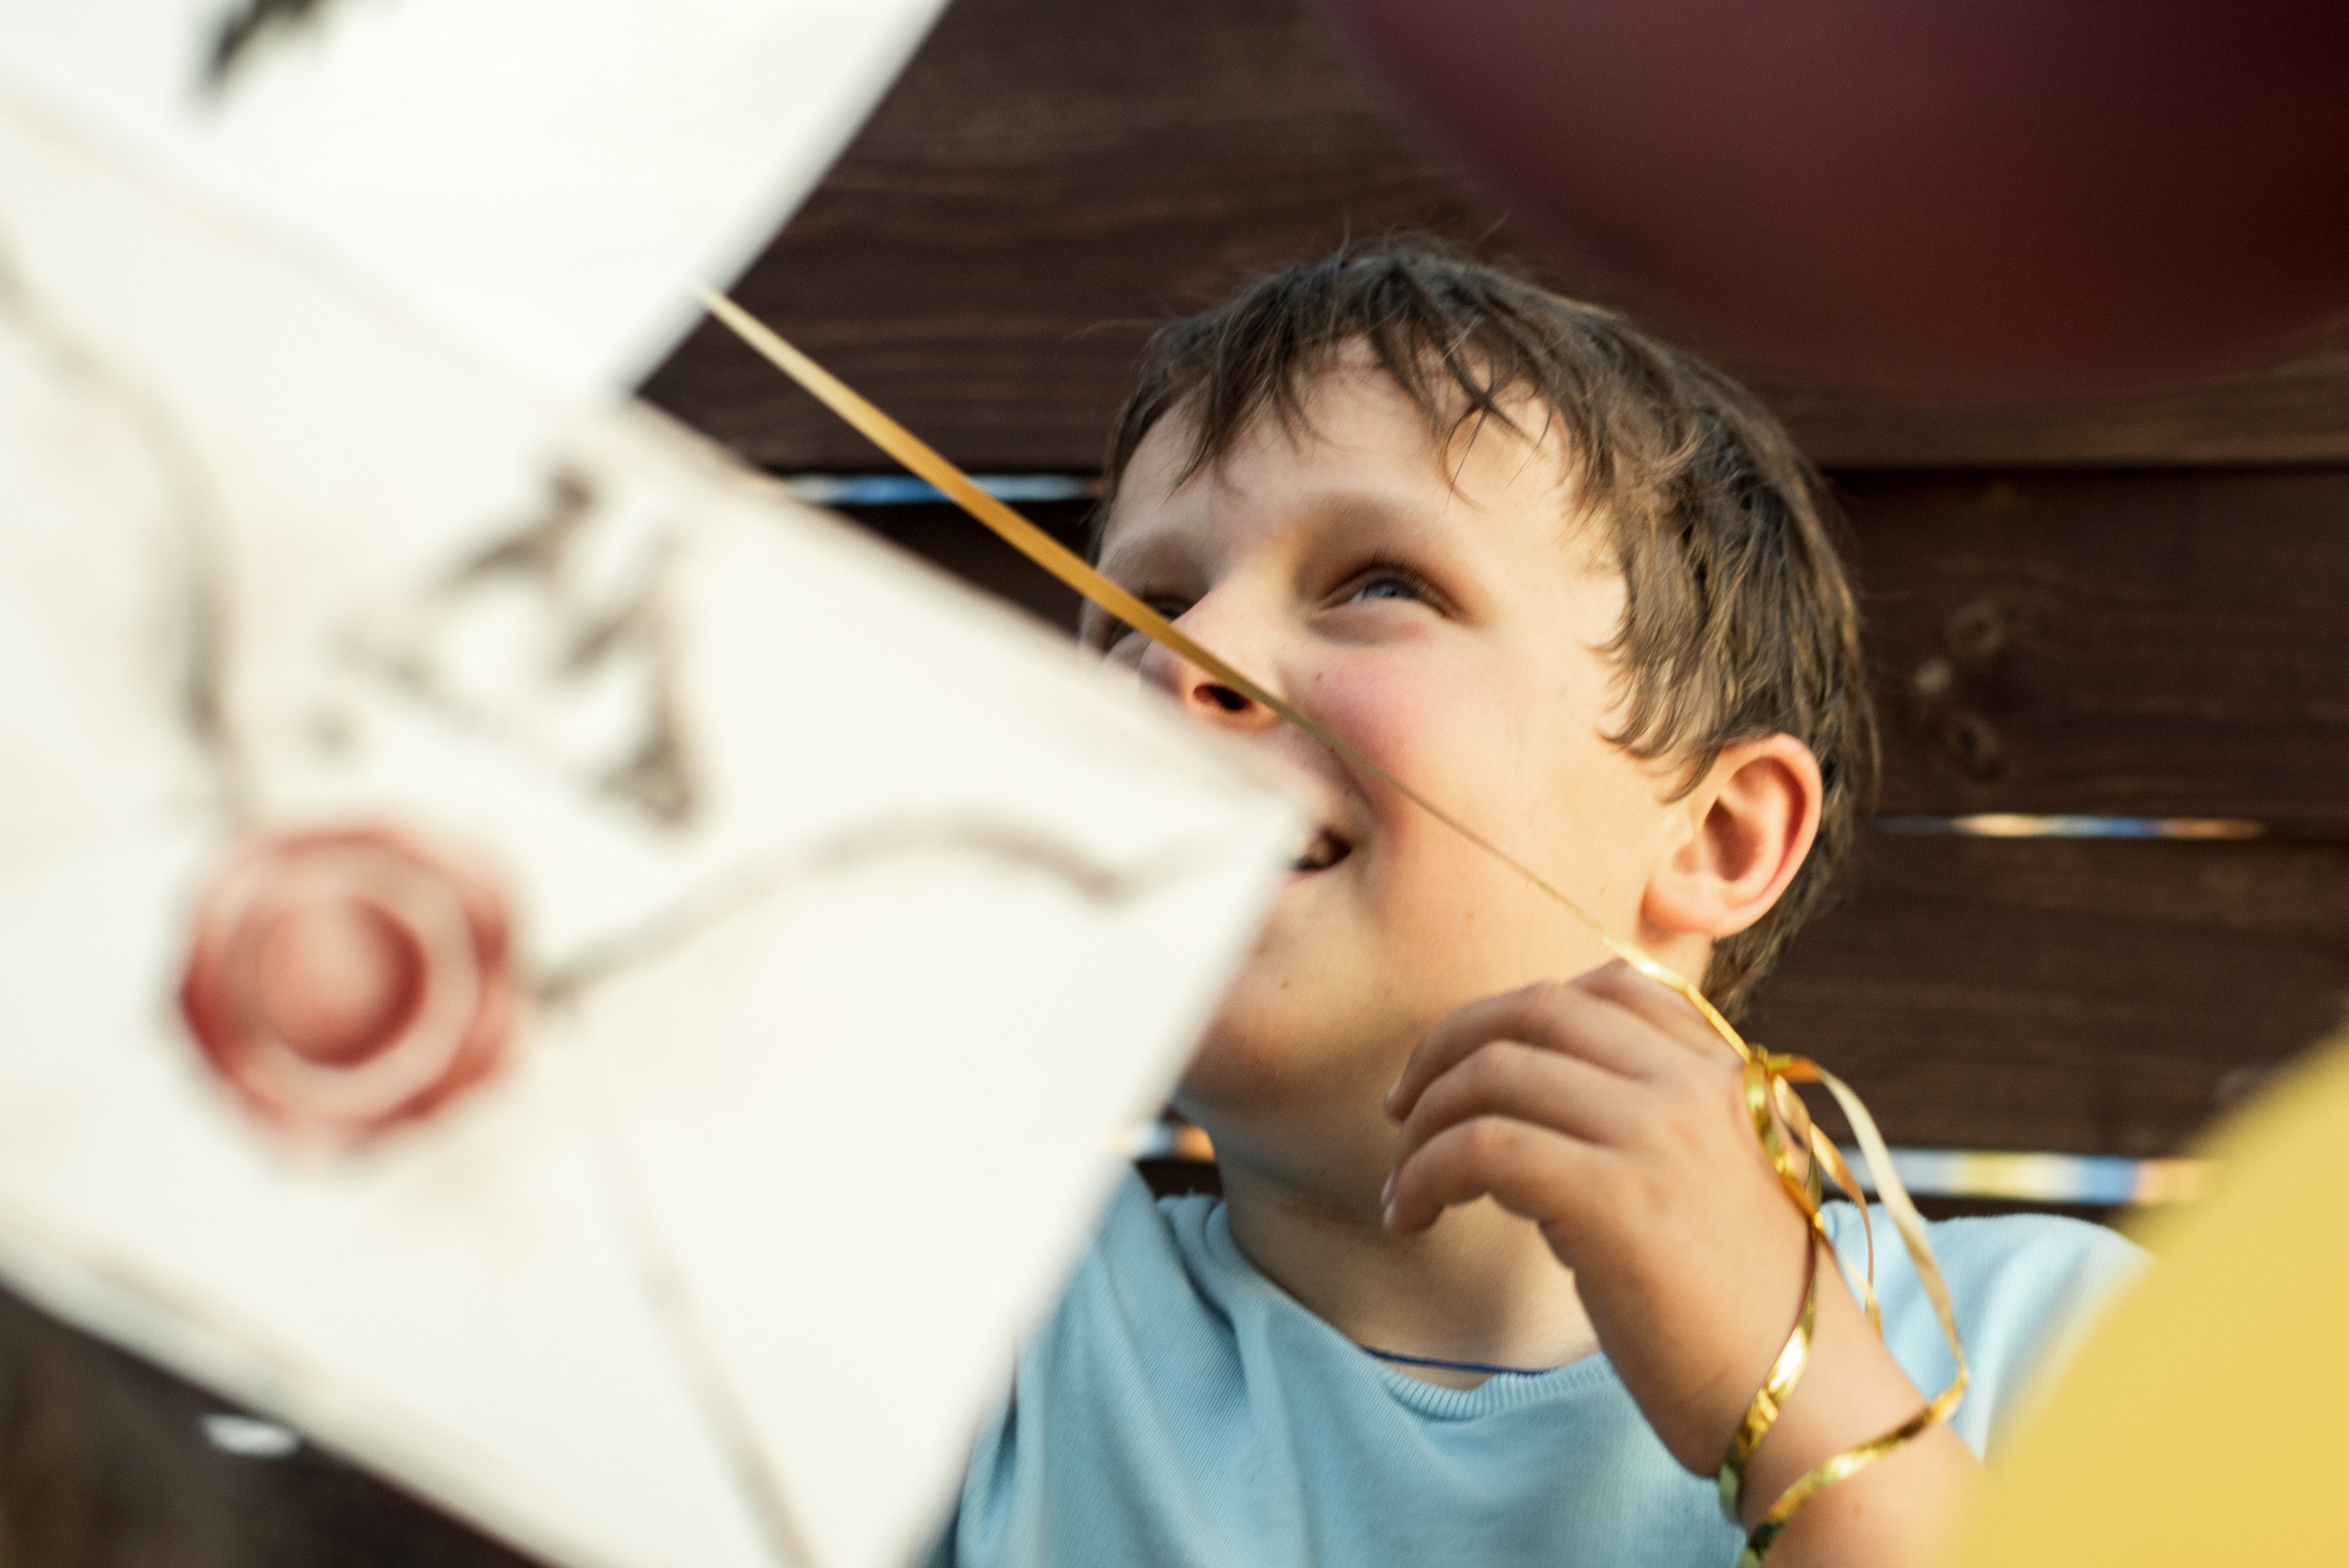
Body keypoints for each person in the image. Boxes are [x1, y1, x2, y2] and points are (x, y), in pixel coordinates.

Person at [922, 247, 2142, 1568]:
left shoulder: (2060, 1349)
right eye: (1140, 608)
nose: (1180, 660)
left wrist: (1795, 1401)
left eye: (1378, 583)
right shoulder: (957, 1341)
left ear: (1719, 834)